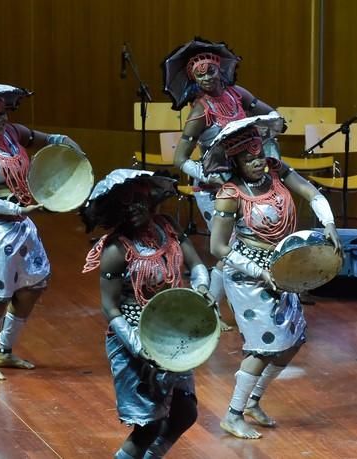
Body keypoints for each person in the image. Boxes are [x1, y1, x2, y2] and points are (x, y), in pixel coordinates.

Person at [208, 123, 341, 439]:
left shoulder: (277, 171)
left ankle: (253, 402)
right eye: (248, 159)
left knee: (292, 341)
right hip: (248, 275)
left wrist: (330, 223)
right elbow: (217, 247)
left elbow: (311, 191)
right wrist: (259, 272)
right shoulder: (230, 194)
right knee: (263, 347)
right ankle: (233, 414)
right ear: (235, 162)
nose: (257, 163)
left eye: (259, 156)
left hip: (282, 267)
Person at [0, 82, 82, 381]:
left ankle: (4, 351)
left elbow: (44, 139)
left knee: (33, 285)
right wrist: (21, 210)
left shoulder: (13, 133)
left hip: (20, 222)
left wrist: (64, 141)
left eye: (1, 113)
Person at [81, 169, 212, 458]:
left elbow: (198, 265)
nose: (134, 209)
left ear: (150, 199)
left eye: (138, 201)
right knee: (149, 426)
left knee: (184, 413)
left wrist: (202, 289)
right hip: (134, 338)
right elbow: (109, 307)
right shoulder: (116, 249)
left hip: (172, 333)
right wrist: (140, 348)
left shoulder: (169, 226)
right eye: (124, 206)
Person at [167, 40, 284, 330]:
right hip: (215, 189)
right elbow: (179, 159)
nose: (206, 78)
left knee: (233, 249)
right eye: (199, 75)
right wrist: (208, 175)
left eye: (209, 71)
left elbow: (271, 117)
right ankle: (205, 309)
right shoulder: (199, 111)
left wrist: (272, 128)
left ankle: (207, 308)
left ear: (220, 69)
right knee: (228, 248)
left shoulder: (238, 94)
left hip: (244, 183)